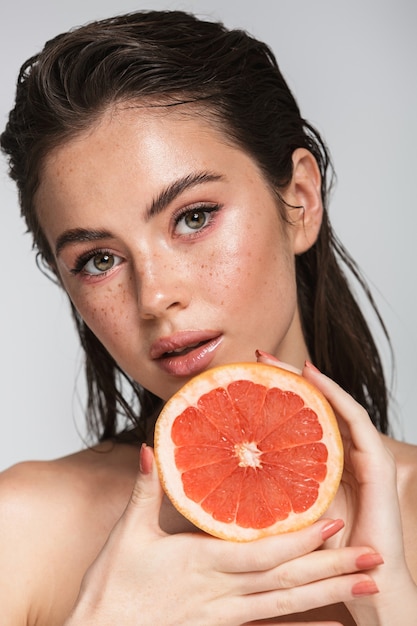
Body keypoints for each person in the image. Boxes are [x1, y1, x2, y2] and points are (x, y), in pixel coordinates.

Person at [0, 8, 416, 625]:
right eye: (99, 259)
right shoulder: (26, 529)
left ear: (299, 201)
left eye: (193, 217)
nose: (154, 297)